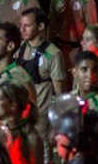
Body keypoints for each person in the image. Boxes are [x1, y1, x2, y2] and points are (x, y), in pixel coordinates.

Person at [15, 8, 65, 143]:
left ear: (41, 26)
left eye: (27, 26)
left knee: (42, 159)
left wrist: (56, 125)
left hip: (41, 117)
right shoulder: (20, 49)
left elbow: (59, 94)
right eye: (21, 25)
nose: (22, 29)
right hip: (21, 113)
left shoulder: (53, 54)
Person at [49, 0, 97, 70]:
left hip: (77, 48)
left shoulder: (86, 1)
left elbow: (93, 28)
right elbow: (51, 25)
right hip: (59, 46)